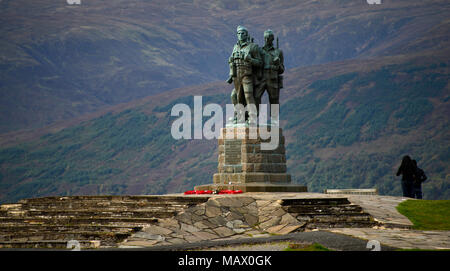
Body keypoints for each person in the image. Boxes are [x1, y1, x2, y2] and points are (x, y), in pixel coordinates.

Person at [227, 26, 262, 125]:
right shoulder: (235, 47)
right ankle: (240, 116)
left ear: (246, 35)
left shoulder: (253, 47)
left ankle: (252, 117)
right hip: (236, 75)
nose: (240, 35)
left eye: (242, 33)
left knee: (248, 95)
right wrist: (231, 62)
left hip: (247, 74)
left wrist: (250, 59)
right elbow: (232, 61)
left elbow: (260, 63)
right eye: (238, 33)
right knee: (237, 96)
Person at [254, 29, 284, 123]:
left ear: (272, 39)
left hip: (273, 78)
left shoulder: (278, 52)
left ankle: (274, 119)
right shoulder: (259, 51)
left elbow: (282, 70)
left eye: (269, 37)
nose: (267, 39)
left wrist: (278, 63)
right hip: (261, 77)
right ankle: (254, 117)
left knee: (274, 99)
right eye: (265, 37)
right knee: (256, 97)